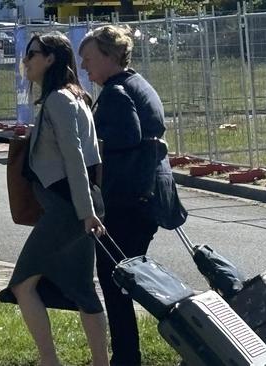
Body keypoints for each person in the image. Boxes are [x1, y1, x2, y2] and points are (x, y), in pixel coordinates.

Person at [0, 31, 109, 366]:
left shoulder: (59, 100)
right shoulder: (77, 97)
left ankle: (49, 360)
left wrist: (86, 212)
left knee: (22, 285)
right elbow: (89, 157)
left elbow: (75, 158)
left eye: (32, 54)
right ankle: (101, 363)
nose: (26, 60)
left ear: (50, 59)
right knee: (82, 290)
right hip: (80, 205)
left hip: (68, 209)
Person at [79, 25, 175, 366]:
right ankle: (126, 356)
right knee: (124, 281)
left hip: (126, 204)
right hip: (146, 200)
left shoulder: (118, 93)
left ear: (109, 55)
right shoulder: (139, 84)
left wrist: (91, 135)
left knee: (115, 281)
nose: (85, 67)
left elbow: (124, 138)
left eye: (89, 59)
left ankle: (125, 358)